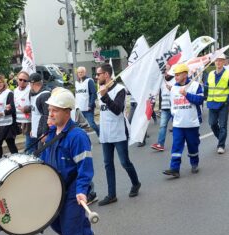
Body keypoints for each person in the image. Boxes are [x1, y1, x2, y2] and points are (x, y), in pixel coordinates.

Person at [40, 88, 95, 235]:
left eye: (55, 110)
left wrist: (81, 190)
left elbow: (85, 168)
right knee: (54, 222)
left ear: (67, 111)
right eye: (50, 110)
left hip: (72, 191)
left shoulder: (77, 136)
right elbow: (44, 161)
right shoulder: (51, 133)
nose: (51, 113)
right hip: (55, 189)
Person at [96, 63, 141, 206]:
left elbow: (117, 110)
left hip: (118, 132)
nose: (97, 77)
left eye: (99, 74)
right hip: (105, 134)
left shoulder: (120, 89)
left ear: (107, 75)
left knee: (124, 162)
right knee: (108, 164)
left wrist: (105, 97)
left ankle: (136, 183)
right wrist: (102, 95)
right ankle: (111, 195)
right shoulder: (101, 90)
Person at [162, 64, 204, 178]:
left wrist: (186, 94)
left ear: (185, 74)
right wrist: (173, 118)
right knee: (176, 146)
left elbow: (200, 100)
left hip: (192, 123)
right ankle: (174, 168)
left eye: (178, 74)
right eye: (175, 75)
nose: (175, 77)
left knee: (192, 145)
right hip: (178, 124)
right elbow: (173, 106)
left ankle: (194, 163)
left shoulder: (195, 86)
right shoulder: (173, 89)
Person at [205, 54, 229, 154]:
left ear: (224, 62)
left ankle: (221, 145)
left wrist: (227, 101)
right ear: (214, 62)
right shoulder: (210, 74)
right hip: (212, 104)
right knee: (212, 124)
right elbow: (207, 87)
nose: (218, 62)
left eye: (220, 60)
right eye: (216, 60)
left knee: (223, 125)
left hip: (223, 104)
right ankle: (221, 138)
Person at [0, 74, 18, 160]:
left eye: (0, 82)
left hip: (7, 124)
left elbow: (12, 109)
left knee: (11, 144)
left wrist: (2, 113)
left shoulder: (9, 93)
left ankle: (17, 161)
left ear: (4, 83)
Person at [23, 73, 50, 153]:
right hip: (37, 130)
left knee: (42, 155)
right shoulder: (33, 94)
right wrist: (33, 129)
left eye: (29, 83)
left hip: (42, 132)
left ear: (32, 83)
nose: (29, 85)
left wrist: (45, 133)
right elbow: (34, 113)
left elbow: (46, 115)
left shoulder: (45, 94)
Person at [151, 65, 174, 151]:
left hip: (174, 107)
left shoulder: (175, 79)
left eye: (167, 69)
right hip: (165, 108)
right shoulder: (161, 81)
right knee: (162, 126)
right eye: (164, 70)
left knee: (177, 127)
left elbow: (180, 90)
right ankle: (160, 144)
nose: (165, 71)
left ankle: (180, 142)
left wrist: (172, 88)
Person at [75, 66, 99, 136]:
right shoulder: (76, 82)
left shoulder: (89, 81)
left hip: (88, 108)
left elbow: (93, 93)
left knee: (92, 124)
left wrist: (90, 104)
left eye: (81, 72)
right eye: (79, 72)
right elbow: (76, 95)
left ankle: (100, 135)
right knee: (77, 126)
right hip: (79, 108)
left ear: (85, 72)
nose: (80, 74)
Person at [13, 71, 33, 154]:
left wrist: (26, 109)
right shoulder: (15, 90)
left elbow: (36, 106)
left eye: (25, 80)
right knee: (31, 143)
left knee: (29, 144)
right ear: (17, 79)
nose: (22, 82)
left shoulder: (31, 90)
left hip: (30, 121)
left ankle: (30, 160)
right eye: (20, 79)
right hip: (21, 121)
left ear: (28, 82)